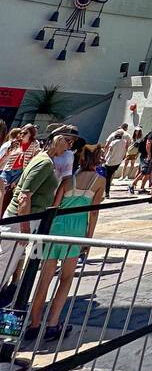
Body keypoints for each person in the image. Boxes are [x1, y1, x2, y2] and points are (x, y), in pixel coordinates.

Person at [24, 146, 105, 342]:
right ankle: (53, 324)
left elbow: (55, 206)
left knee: (44, 280)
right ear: (97, 159)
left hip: (56, 228)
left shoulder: (68, 180)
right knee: (66, 279)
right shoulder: (99, 181)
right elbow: (94, 212)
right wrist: (89, 238)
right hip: (75, 232)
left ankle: (34, 324)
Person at [0, 129, 75, 307]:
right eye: (67, 141)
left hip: (24, 219)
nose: (69, 146)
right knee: (4, 264)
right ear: (57, 140)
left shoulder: (46, 160)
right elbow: (24, 196)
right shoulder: (44, 163)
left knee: (8, 263)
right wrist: (25, 228)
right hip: (19, 221)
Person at [0, 127, 39, 216]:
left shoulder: (34, 144)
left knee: (12, 193)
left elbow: (34, 157)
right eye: (21, 132)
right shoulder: (15, 142)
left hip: (21, 171)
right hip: (8, 169)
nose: (22, 135)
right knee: (2, 191)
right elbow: (7, 155)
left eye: (25, 133)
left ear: (31, 134)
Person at [101, 123, 129, 198]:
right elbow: (126, 149)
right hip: (117, 162)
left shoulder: (113, 142)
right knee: (110, 175)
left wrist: (104, 157)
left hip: (109, 162)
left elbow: (109, 150)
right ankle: (106, 190)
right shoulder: (124, 142)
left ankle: (106, 192)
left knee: (106, 177)